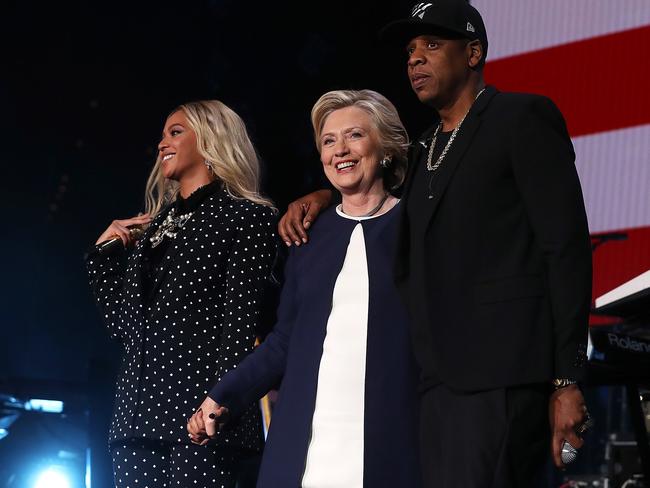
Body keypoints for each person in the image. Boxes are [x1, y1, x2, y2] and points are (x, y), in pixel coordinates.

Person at [277, 2, 593, 486]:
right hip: (437, 385)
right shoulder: (426, 149)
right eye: (409, 50)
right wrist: (323, 194)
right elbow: (380, 196)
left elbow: (566, 248)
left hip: (503, 377)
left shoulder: (521, 117)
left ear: (473, 53)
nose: (415, 59)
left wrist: (568, 380)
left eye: (432, 44)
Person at [187, 89, 421, 487]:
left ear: (385, 148)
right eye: (329, 141)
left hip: (393, 436)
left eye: (355, 136)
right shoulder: (309, 238)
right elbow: (283, 340)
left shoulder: (417, 228)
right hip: (309, 442)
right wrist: (222, 396)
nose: (340, 150)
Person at [85, 100, 278, 488]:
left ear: (210, 140)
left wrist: (220, 402)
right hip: (136, 419)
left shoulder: (245, 217)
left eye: (175, 132)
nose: (162, 144)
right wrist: (100, 259)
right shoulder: (154, 229)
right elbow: (125, 330)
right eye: (162, 135)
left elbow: (239, 328)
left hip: (201, 416)